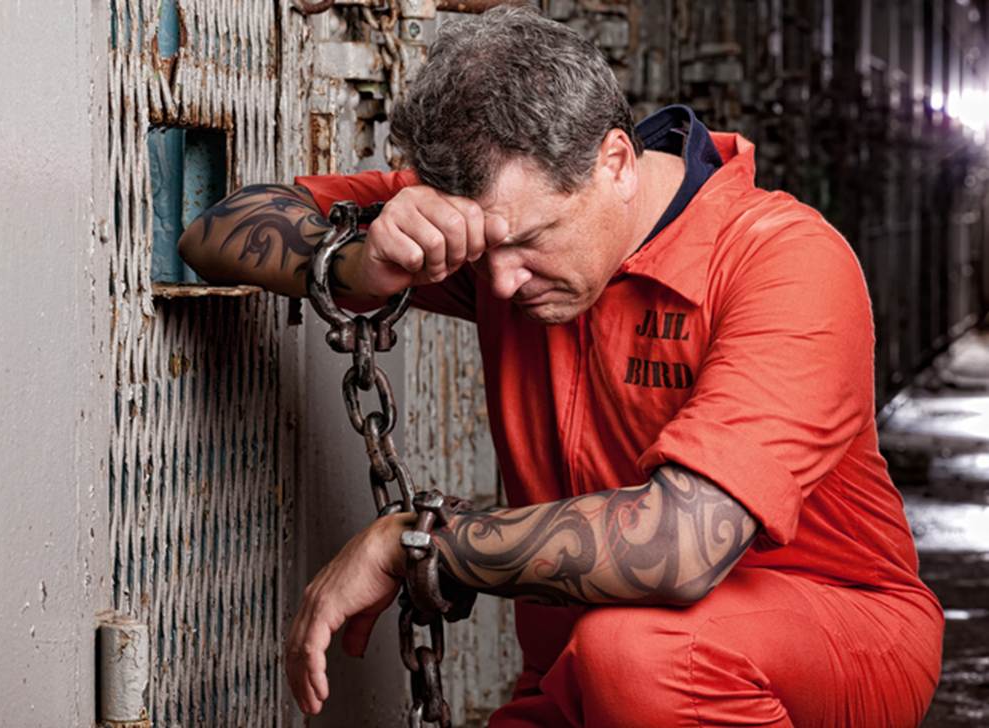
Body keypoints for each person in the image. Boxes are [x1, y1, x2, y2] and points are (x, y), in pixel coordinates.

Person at [177, 6, 943, 726]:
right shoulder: (496, 223)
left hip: (834, 634)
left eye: (530, 241)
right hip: (587, 672)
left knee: (640, 655)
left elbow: (680, 544)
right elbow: (214, 232)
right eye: (483, 251)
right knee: (619, 658)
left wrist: (418, 544)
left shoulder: (781, 260)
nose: (499, 282)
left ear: (615, 161)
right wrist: (357, 262)